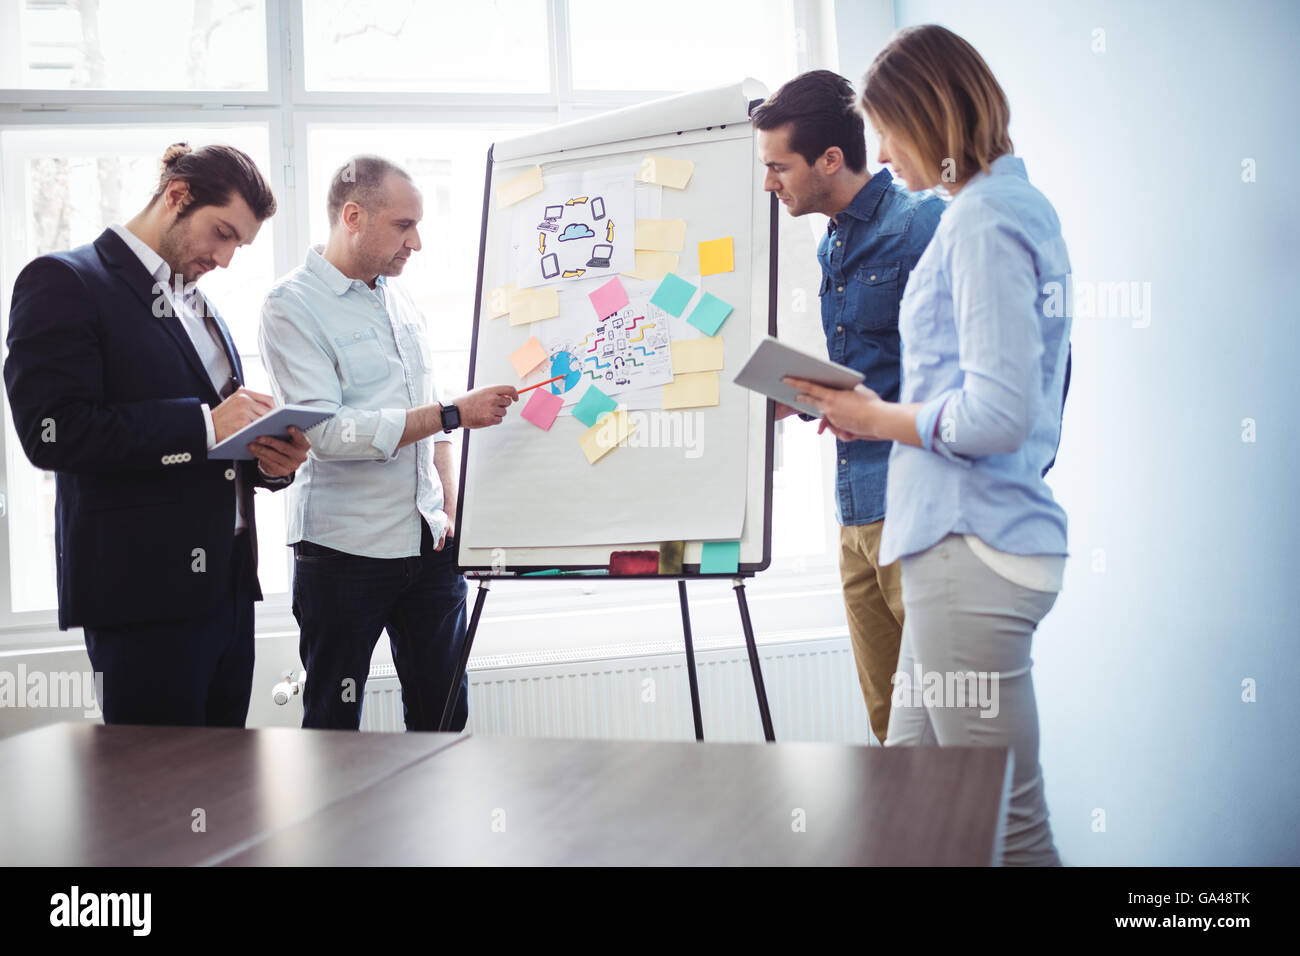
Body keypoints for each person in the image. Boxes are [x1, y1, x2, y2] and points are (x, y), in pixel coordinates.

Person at [786, 25, 1072, 866]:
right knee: (913, 798)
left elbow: (995, 415)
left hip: (967, 541)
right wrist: (878, 405)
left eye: (889, 130)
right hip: (960, 538)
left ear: (930, 118)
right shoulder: (1009, 207)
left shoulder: (980, 221)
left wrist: (878, 419)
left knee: (1005, 825)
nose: (883, 151)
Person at [4, 142, 308, 726]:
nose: (225, 258)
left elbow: (215, 448)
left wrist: (269, 459)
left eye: (238, 245)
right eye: (222, 233)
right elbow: (53, 432)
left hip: (228, 590)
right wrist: (201, 422)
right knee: (155, 802)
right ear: (177, 197)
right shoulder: (65, 281)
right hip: (142, 599)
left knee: (225, 797)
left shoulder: (203, 305)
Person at [259, 155, 517, 732]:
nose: (417, 242)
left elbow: (435, 427)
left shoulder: (400, 301)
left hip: (429, 549)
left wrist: (447, 510)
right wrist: (451, 412)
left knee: (444, 713)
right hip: (343, 554)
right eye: (404, 226)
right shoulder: (291, 306)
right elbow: (327, 432)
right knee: (332, 721)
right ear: (353, 216)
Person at [753, 70, 944, 744]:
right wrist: (797, 398)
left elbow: (970, 369)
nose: (770, 183)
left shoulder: (924, 225)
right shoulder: (830, 241)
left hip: (916, 511)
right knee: (891, 732)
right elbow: (867, 372)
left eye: (779, 167)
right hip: (854, 515)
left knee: (951, 739)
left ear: (830, 160)